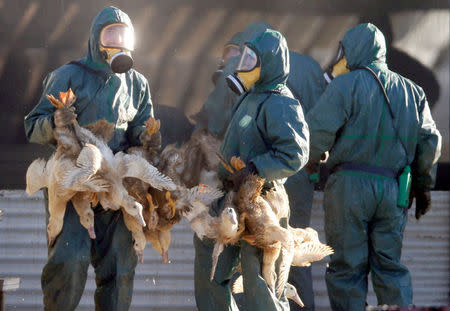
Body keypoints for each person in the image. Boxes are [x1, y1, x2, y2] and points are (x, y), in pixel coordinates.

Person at [24, 6, 160, 311]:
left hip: (117, 186)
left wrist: (148, 140)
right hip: (73, 183)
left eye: (125, 36)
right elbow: (32, 125)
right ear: (95, 39)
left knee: (120, 270)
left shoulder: (137, 84)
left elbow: (142, 131)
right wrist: (55, 123)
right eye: (110, 35)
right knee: (69, 262)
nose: (118, 43)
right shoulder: (67, 75)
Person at [306, 23, 441, 310]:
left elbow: (316, 134)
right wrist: (424, 185)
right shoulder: (413, 91)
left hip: (349, 189)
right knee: (390, 267)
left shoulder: (344, 85)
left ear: (351, 50)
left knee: (347, 268)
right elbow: (430, 140)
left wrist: (312, 163)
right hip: (393, 189)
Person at [194, 21, 326, 311]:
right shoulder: (249, 98)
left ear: (269, 64)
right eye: (244, 58)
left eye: (251, 60)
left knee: (261, 279)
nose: (244, 66)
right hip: (232, 195)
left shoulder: (281, 103)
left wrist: (255, 168)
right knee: (212, 265)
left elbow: (295, 153)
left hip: (263, 199)